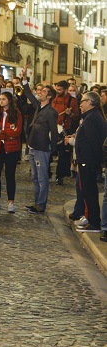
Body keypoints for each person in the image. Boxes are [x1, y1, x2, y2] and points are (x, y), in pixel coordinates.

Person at [69, 92, 106, 233]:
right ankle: (91, 219)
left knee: (89, 191)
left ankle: (94, 223)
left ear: (90, 102)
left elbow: (93, 142)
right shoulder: (92, 116)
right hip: (87, 160)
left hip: (88, 160)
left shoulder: (91, 118)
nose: (80, 103)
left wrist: (86, 158)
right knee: (87, 190)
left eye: (83, 101)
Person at [20, 78, 58, 214]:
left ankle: (41, 205)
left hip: (41, 148)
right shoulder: (39, 106)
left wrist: (53, 150)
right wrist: (24, 82)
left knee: (42, 179)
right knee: (35, 178)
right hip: (32, 146)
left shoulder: (51, 112)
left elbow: (54, 132)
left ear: (49, 96)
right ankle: (36, 203)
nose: (40, 93)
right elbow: (29, 95)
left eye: (43, 92)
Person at [0, 92, 22, 214]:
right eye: (0, 99)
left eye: (4, 99)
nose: (1, 101)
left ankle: (11, 202)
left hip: (11, 148)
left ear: (9, 100)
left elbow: (16, 132)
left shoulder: (16, 113)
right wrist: (3, 134)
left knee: (10, 175)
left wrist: (3, 134)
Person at [51, 80, 79, 185]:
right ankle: (48, 173)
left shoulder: (72, 100)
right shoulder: (53, 97)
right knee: (49, 151)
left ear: (66, 89)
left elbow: (76, 117)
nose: (58, 91)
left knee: (62, 154)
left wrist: (70, 114)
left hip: (64, 129)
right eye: (57, 89)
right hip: (53, 127)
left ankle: (60, 175)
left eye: (60, 90)